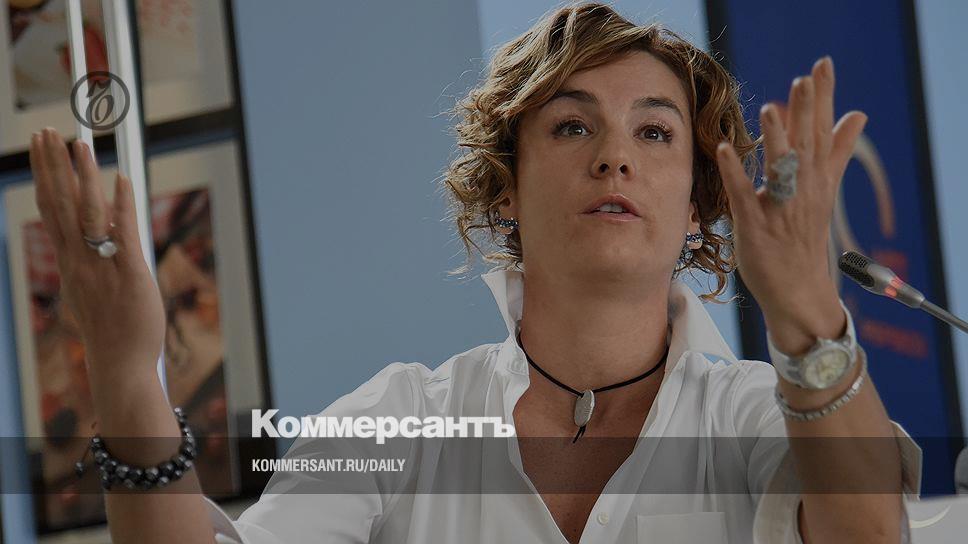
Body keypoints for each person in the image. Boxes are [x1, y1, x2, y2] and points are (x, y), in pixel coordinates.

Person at [28, 3, 921, 543]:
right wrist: (124, 373)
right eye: (572, 126)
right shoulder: (398, 419)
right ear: (505, 189)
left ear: (696, 204)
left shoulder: (759, 414)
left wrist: (809, 325)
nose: (614, 156)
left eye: (654, 132)